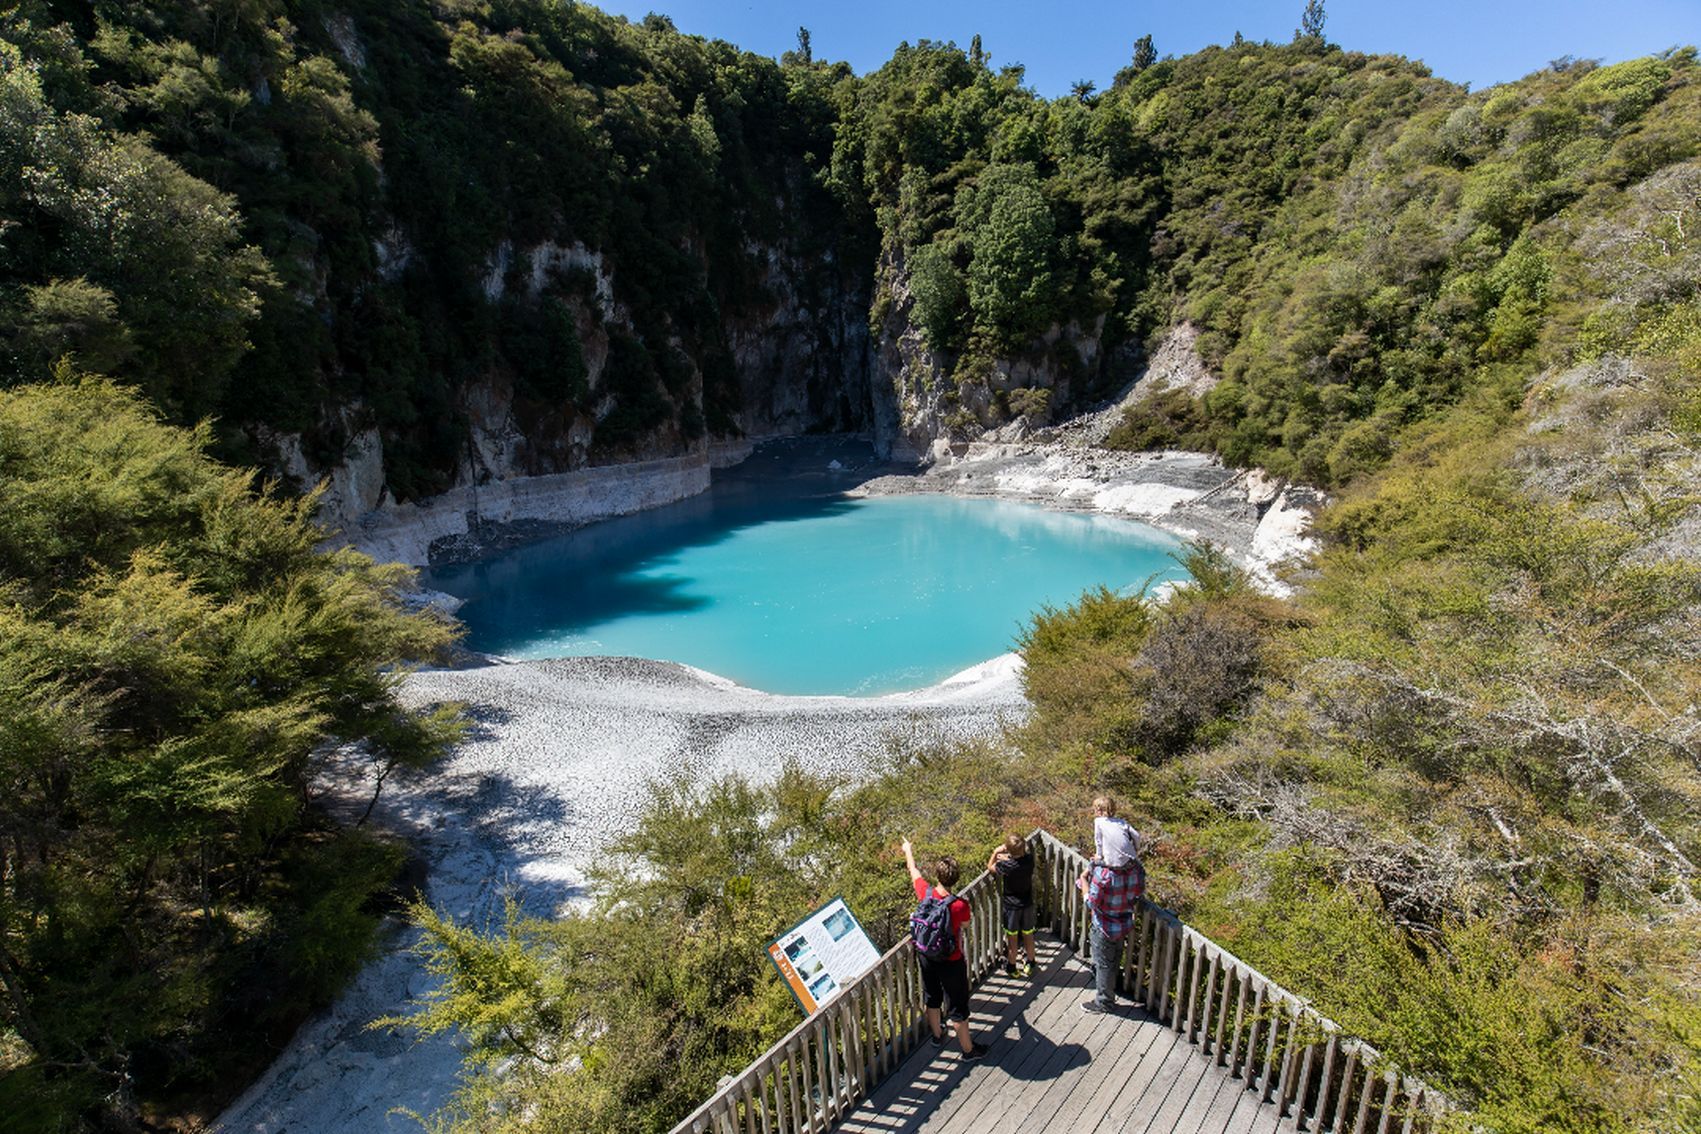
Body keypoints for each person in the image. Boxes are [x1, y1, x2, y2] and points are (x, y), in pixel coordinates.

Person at [900, 838, 988, 1059]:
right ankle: (968, 1050)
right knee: (957, 1006)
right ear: (955, 878)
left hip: (926, 954)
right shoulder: (959, 905)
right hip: (951, 960)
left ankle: (938, 1036)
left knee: (932, 996)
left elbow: (913, 870)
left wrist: (908, 850)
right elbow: (965, 925)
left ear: (937, 876)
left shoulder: (925, 893)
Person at [1077, 800, 1146, 1013]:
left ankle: (1104, 1002)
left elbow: (1092, 901)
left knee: (1104, 961)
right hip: (1124, 921)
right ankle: (1106, 984)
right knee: (1114, 957)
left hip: (1104, 923)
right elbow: (1137, 894)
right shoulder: (1136, 870)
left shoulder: (1104, 875)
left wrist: (1084, 883)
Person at [987, 834, 1037, 978]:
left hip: (1011, 908)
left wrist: (996, 852)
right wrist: (1009, 857)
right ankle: (1030, 963)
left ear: (1008, 850)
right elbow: (1019, 859)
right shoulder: (1029, 860)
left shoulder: (1006, 866)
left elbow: (990, 867)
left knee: (1012, 940)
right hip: (1027, 904)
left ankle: (1012, 967)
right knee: (1028, 935)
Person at [1093, 795, 1140, 869]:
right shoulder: (1122, 822)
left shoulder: (1098, 821)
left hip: (1111, 862)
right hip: (1130, 860)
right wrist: (1136, 848)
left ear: (1099, 810)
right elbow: (1136, 835)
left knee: (1091, 865)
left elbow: (1098, 841)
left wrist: (1098, 856)